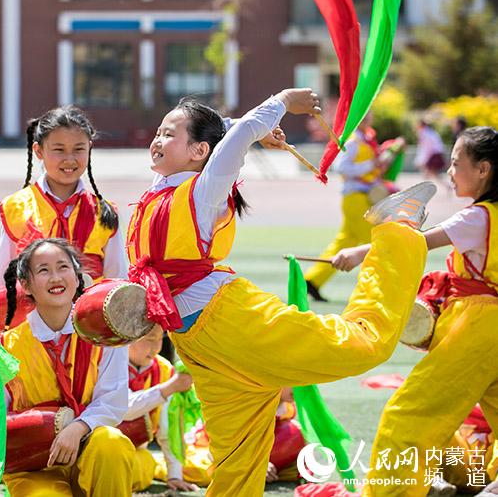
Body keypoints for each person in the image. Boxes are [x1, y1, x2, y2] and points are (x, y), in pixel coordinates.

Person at [125, 90, 435, 495]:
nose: (157, 140)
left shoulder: (202, 191)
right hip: (198, 344)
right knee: (237, 460)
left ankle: (395, 232)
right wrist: (250, 129)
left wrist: (282, 102)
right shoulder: (161, 185)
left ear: (199, 150)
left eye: (169, 133)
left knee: (365, 346)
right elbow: (228, 137)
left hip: (233, 322)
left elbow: (230, 145)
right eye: (160, 132)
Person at [331, 127, 498, 496]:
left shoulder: (478, 218)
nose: (450, 172)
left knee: (409, 415)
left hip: (477, 329)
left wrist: (359, 254)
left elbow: (415, 242)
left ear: (483, 170)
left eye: (456, 164)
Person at [0, 238, 136, 495]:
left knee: (112, 443)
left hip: (88, 445)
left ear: (77, 277)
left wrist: (78, 427)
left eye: (63, 267)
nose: (55, 277)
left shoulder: (104, 331)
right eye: (43, 270)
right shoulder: (6, 345)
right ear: (26, 286)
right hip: (36, 465)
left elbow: (113, 400)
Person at [0, 106, 125, 289]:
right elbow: (2, 282)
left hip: (91, 316)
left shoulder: (105, 212)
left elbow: (117, 282)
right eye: (59, 150)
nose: (69, 159)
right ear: (38, 151)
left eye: (79, 149)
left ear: (89, 148)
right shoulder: (15, 208)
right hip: (31, 316)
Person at [303, 112, 387, 301]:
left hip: (361, 198)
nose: (367, 120)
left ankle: (313, 280)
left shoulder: (366, 140)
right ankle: (377, 289)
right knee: (374, 243)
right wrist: (370, 164)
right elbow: (341, 167)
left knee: (346, 241)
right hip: (355, 198)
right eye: (363, 117)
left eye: (368, 117)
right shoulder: (354, 141)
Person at [123, 324, 199, 492]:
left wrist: (174, 475)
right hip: (102, 447)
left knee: (142, 469)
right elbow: (122, 408)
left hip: (137, 452)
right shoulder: (108, 359)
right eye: (150, 338)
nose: (156, 347)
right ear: (126, 334)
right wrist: (169, 388)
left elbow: (170, 426)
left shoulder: (164, 369)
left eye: (160, 338)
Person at [415, 119, 448, 184]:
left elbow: (427, 148)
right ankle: (423, 186)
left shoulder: (425, 133)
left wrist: (422, 159)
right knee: (430, 172)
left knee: (431, 172)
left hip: (433, 154)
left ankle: (423, 187)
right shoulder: (429, 132)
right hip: (435, 153)